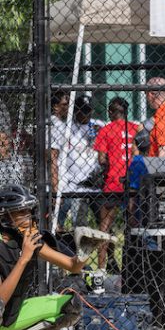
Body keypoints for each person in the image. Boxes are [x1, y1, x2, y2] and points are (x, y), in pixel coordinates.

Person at [0, 183, 86, 330]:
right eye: (21, 212)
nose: (28, 217)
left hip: (9, 317)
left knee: (71, 306)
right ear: (5, 217)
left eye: (29, 211)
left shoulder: (29, 240)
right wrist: (24, 259)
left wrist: (85, 251)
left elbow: (72, 266)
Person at [93, 97, 140, 270]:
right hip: (132, 182)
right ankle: (134, 267)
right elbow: (138, 153)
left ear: (111, 112)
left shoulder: (106, 130)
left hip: (113, 182)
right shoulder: (135, 128)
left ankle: (101, 268)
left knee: (104, 227)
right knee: (134, 225)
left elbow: (102, 159)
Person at [49, 96, 103, 231]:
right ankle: (72, 249)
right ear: (75, 111)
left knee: (103, 222)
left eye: (88, 110)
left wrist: (101, 134)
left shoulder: (98, 126)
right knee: (72, 223)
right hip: (72, 184)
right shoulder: (66, 128)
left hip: (94, 183)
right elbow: (54, 154)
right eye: (82, 110)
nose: (86, 114)